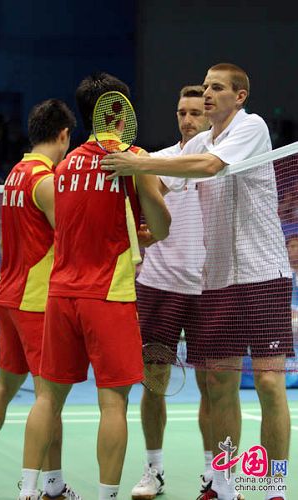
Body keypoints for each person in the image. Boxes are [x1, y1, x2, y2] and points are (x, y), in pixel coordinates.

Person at [101, 63, 294, 500]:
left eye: (217, 88)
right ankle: (223, 486)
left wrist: (140, 161)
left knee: (268, 384)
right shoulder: (200, 142)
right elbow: (159, 186)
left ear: (239, 96)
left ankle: (273, 486)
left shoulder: (251, 128)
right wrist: (133, 202)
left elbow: (207, 167)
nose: (208, 94)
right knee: (221, 384)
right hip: (218, 279)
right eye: (205, 86)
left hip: (264, 273)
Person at [18, 73, 171, 500]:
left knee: (47, 399)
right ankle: (106, 496)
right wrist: (149, 219)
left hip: (60, 293)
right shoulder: (133, 158)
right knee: (113, 404)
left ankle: (28, 491)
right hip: (109, 295)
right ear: (119, 113)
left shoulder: (61, 168)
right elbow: (160, 226)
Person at [0, 99, 81, 499]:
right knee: (48, 397)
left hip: (8, 295)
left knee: (4, 387)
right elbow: (70, 241)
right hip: (37, 302)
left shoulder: (15, 175)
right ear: (63, 135)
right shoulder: (47, 181)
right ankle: (50, 487)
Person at [130, 85, 211, 499]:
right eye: (182, 112)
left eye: (196, 112)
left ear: (211, 115)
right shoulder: (155, 162)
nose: (187, 119)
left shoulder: (221, 164)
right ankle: (154, 469)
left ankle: (214, 477)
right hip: (159, 286)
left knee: (214, 386)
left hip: (207, 288)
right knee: (154, 382)